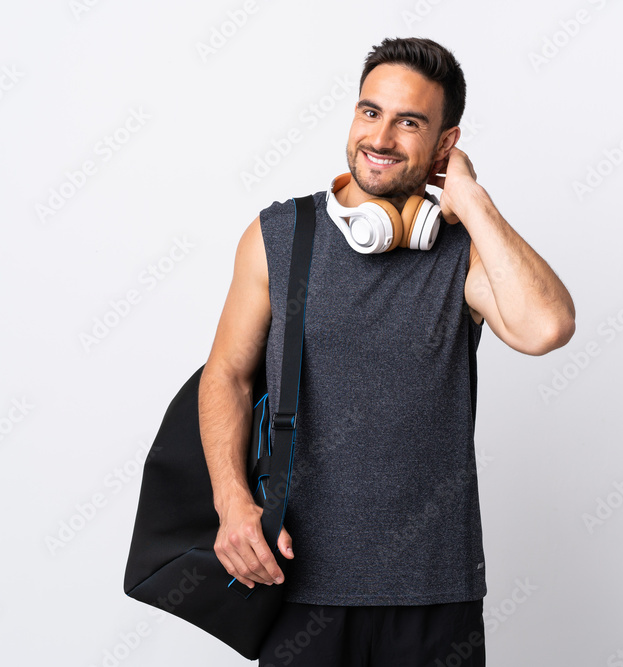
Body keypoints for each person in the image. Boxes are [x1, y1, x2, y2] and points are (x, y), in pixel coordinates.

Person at [199, 36, 575, 666]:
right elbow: (228, 376)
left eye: (410, 122)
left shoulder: (462, 252)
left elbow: (547, 328)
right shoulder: (281, 237)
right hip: (296, 585)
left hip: (435, 594)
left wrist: (473, 203)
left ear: (446, 145)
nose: (381, 136)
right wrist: (232, 502)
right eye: (370, 112)